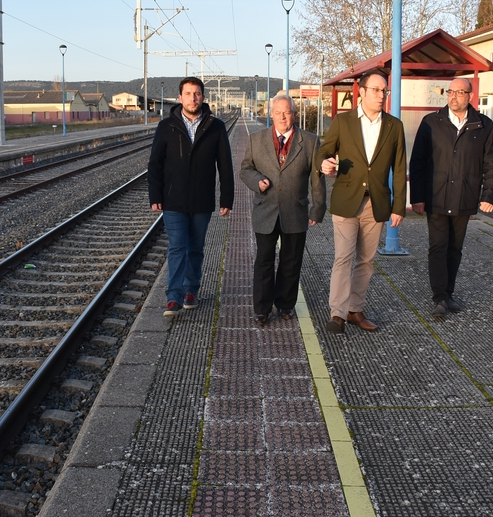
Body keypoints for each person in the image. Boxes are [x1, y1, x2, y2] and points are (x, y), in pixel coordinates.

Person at [315, 72, 406, 334]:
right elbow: (324, 151)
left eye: (384, 91)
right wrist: (324, 163)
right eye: (376, 90)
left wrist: (399, 206)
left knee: (366, 261)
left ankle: (355, 309)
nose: (381, 95)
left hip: (376, 203)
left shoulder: (394, 126)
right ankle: (337, 314)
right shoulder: (343, 121)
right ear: (362, 92)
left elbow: (400, 168)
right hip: (346, 201)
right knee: (343, 258)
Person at [409, 78, 493, 317]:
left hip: (464, 195)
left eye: (460, 92)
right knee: (438, 246)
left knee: (455, 248)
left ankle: (448, 294)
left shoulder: (483, 125)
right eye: (450, 92)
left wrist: (488, 195)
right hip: (436, 195)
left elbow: (492, 164)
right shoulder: (431, 122)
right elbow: (417, 162)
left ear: (470, 96)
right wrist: (417, 196)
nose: (453, 96)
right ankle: (439, 297)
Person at [147, 77, 234, 317]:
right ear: (180, 98)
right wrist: (155, 194)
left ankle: (191, 291)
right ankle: (173, 297)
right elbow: (155, 164)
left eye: (197, 93)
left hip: (202, 199)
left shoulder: (216, 127)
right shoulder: (166, 127)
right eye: (188, 93)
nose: (193, 98)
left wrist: (226, 199)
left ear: (203, 97)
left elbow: (225, 165)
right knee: (177, 247)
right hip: (173, 199)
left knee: (196, 248)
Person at [239, 94, 326, 325]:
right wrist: (256, 181)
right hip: (265, 209)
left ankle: (286, 304)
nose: (282, 117)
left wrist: (318, 208)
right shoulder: (256, 140)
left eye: (287, 112)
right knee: (263, 261)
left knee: (291, 261)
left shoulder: (310, 141)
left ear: (294, 114)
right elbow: (245, 169)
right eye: (278, 112)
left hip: (295, 210)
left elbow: (317, 178)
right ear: (271, 114)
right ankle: (262, 309)